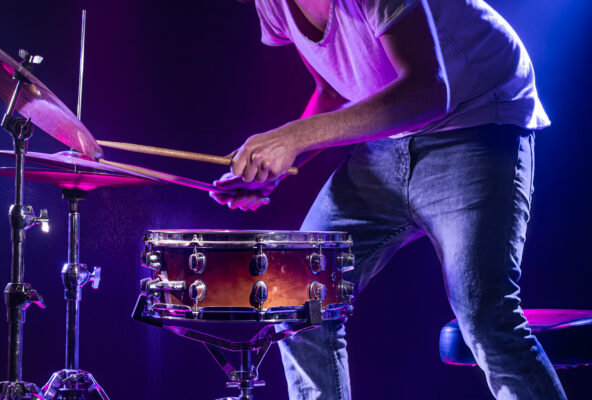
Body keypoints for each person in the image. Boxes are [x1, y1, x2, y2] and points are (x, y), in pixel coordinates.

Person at [208, 0, 567, 399]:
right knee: (297, 296)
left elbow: (428, 90)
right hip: (387, 142)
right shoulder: (271, 4)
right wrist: (278, 167)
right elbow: (331, 88)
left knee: (487, 318)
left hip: (477, 119)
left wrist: (293, 137)